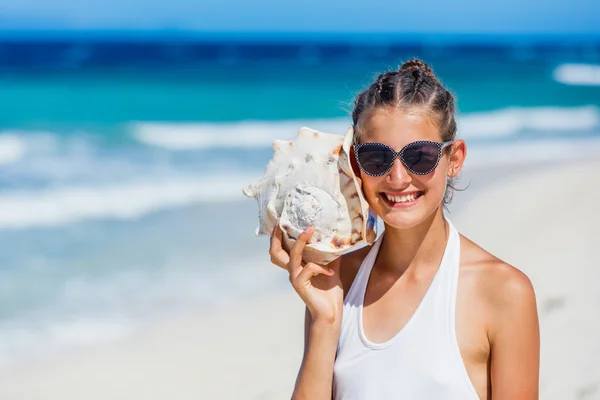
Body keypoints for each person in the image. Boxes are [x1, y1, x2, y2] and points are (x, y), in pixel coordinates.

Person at [268, 59, 540, 399]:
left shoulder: (503, 291)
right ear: (355, 165)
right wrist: (324, 322)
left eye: (420, 157)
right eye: (377, 159)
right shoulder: (338, 282)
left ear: (454, 159)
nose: (398, 178)